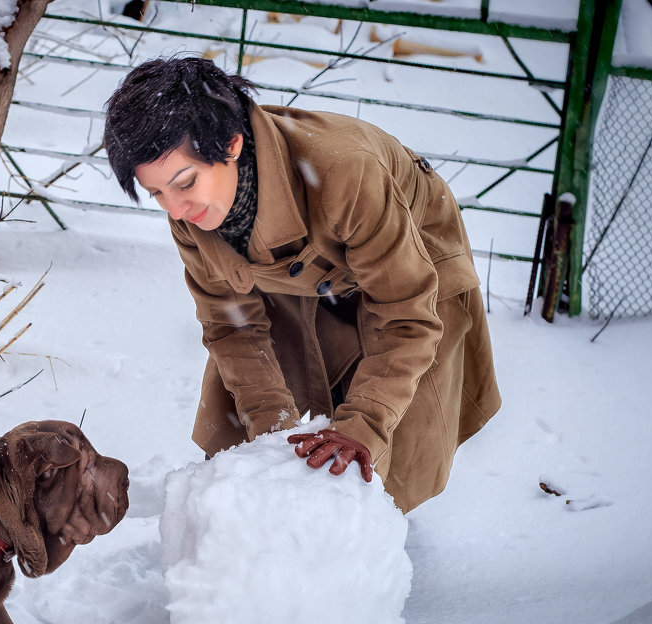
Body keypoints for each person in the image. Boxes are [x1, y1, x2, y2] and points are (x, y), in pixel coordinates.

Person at [104, 56, 501, 513]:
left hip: (407, 266)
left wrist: (361, 427)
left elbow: (405, 315)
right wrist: (271, 432)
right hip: (292, 274)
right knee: (246, 428)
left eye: (185, 182)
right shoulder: (192, 212)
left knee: (375, 458)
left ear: (231, 146)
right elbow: (232, 326)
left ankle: (363, 542)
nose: (175, 210)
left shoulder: (345, 172)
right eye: (156, 194)